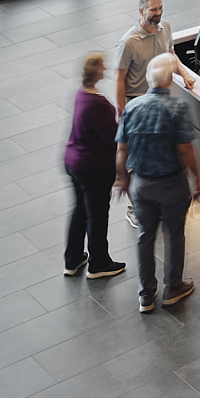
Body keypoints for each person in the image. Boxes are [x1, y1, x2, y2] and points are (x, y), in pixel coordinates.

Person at [115, 52, 200, 313]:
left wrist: (121, 178)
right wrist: (199, 177)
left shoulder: (131, 107)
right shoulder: (178, 107)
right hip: (172, 185)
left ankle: (146, 295)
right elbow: (185, 150)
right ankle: (172, 289)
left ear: (148, 80)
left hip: (140, 185)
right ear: (169, 81)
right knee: (174, 234)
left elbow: (121, 149)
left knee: (145, 237)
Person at [64, 51, 126, 279]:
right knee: (98, 215)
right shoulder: (98, 103)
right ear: (94, 71)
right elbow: (113, 137)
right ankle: (99, 263)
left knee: (80, 210)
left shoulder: (81, 94)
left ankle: (73, 259)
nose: (105, 69)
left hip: (73, 163)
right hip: (93, 169)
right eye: (102, 66)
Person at [115, 0, 173, 231]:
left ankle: (154, 205)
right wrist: (121, 112)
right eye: (153, 10)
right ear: (141, 12)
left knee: (157, 155)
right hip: (136, 103)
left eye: (160, 8)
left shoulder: (166, 28)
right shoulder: (129, 42)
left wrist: (184, 76)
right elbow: (119, 79)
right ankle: (134, 209)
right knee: (136, 160)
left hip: (158, 99)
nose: (158, 13)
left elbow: (171, 56)